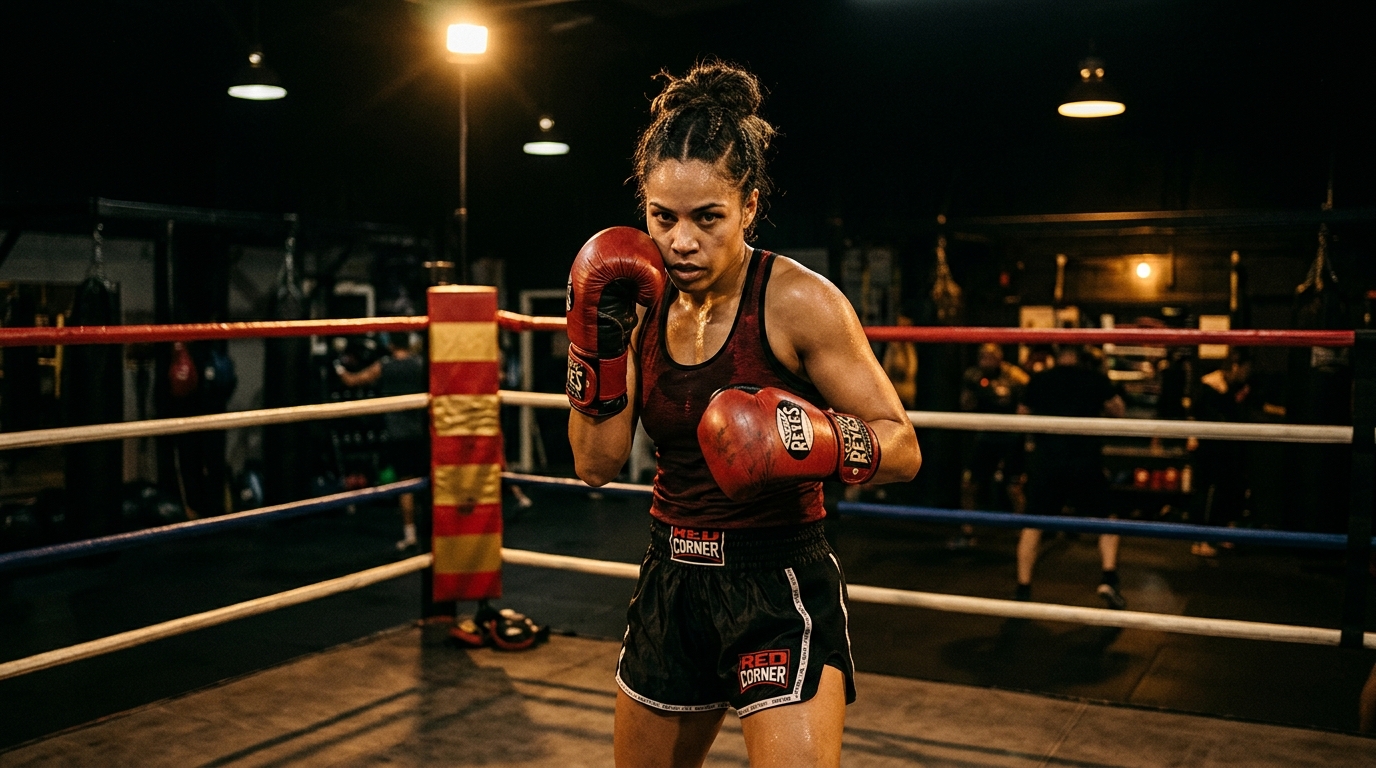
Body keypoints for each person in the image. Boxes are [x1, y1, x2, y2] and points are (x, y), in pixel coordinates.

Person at [566, 61, 921, 768]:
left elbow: (902, 446)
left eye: (708, 218)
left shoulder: (797, 301)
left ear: (750, 206)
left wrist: (811, 440)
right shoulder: (632, 298)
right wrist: (596, 342)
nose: (681, 242)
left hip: (778, 585)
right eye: (662, 218)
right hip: (673, 578)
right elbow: (596, 465)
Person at [1016, 345, 1127, 609]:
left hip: (1048, 460)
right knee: (1106, 520)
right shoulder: (1094, 379)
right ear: (1080, 354)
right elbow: (1118, 410)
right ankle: (1108, 578)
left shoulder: (1040, 379)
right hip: (1084, 460)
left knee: (1033, 524)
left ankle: (1022, 589)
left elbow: (1021, 415)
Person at [335, 332, 427, 550]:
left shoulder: (385, 366)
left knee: (406, 484)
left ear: (391, 344)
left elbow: (352, 381)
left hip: (399, 434)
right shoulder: (422, 365)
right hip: (422, 432)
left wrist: (337, 365)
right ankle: (432, 533)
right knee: (428, 483)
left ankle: (410, 534)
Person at [952, 343, 1028, 549]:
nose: (985, 360)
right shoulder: (973, 376)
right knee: (969, 484)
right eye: (982, 356)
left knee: (1014, 488)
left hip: (1011, 437)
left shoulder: (1015, 377)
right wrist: (971, 390)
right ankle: (968, 533)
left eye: (989, 356)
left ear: (999, 357)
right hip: (986, 437)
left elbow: (1025, 407)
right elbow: (966, 405)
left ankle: (1025, 536)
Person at [1189, 350, 1254, 557]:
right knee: (1206, 491)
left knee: (1223, 489)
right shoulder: (1209, 385)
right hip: (1209, 446)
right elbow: (1199, 414)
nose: (1246, 374)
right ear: (1236, 366)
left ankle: (1215, 534)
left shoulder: (1231, 387)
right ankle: (1201, 538)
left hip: (1223, 446)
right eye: (1244, 370)